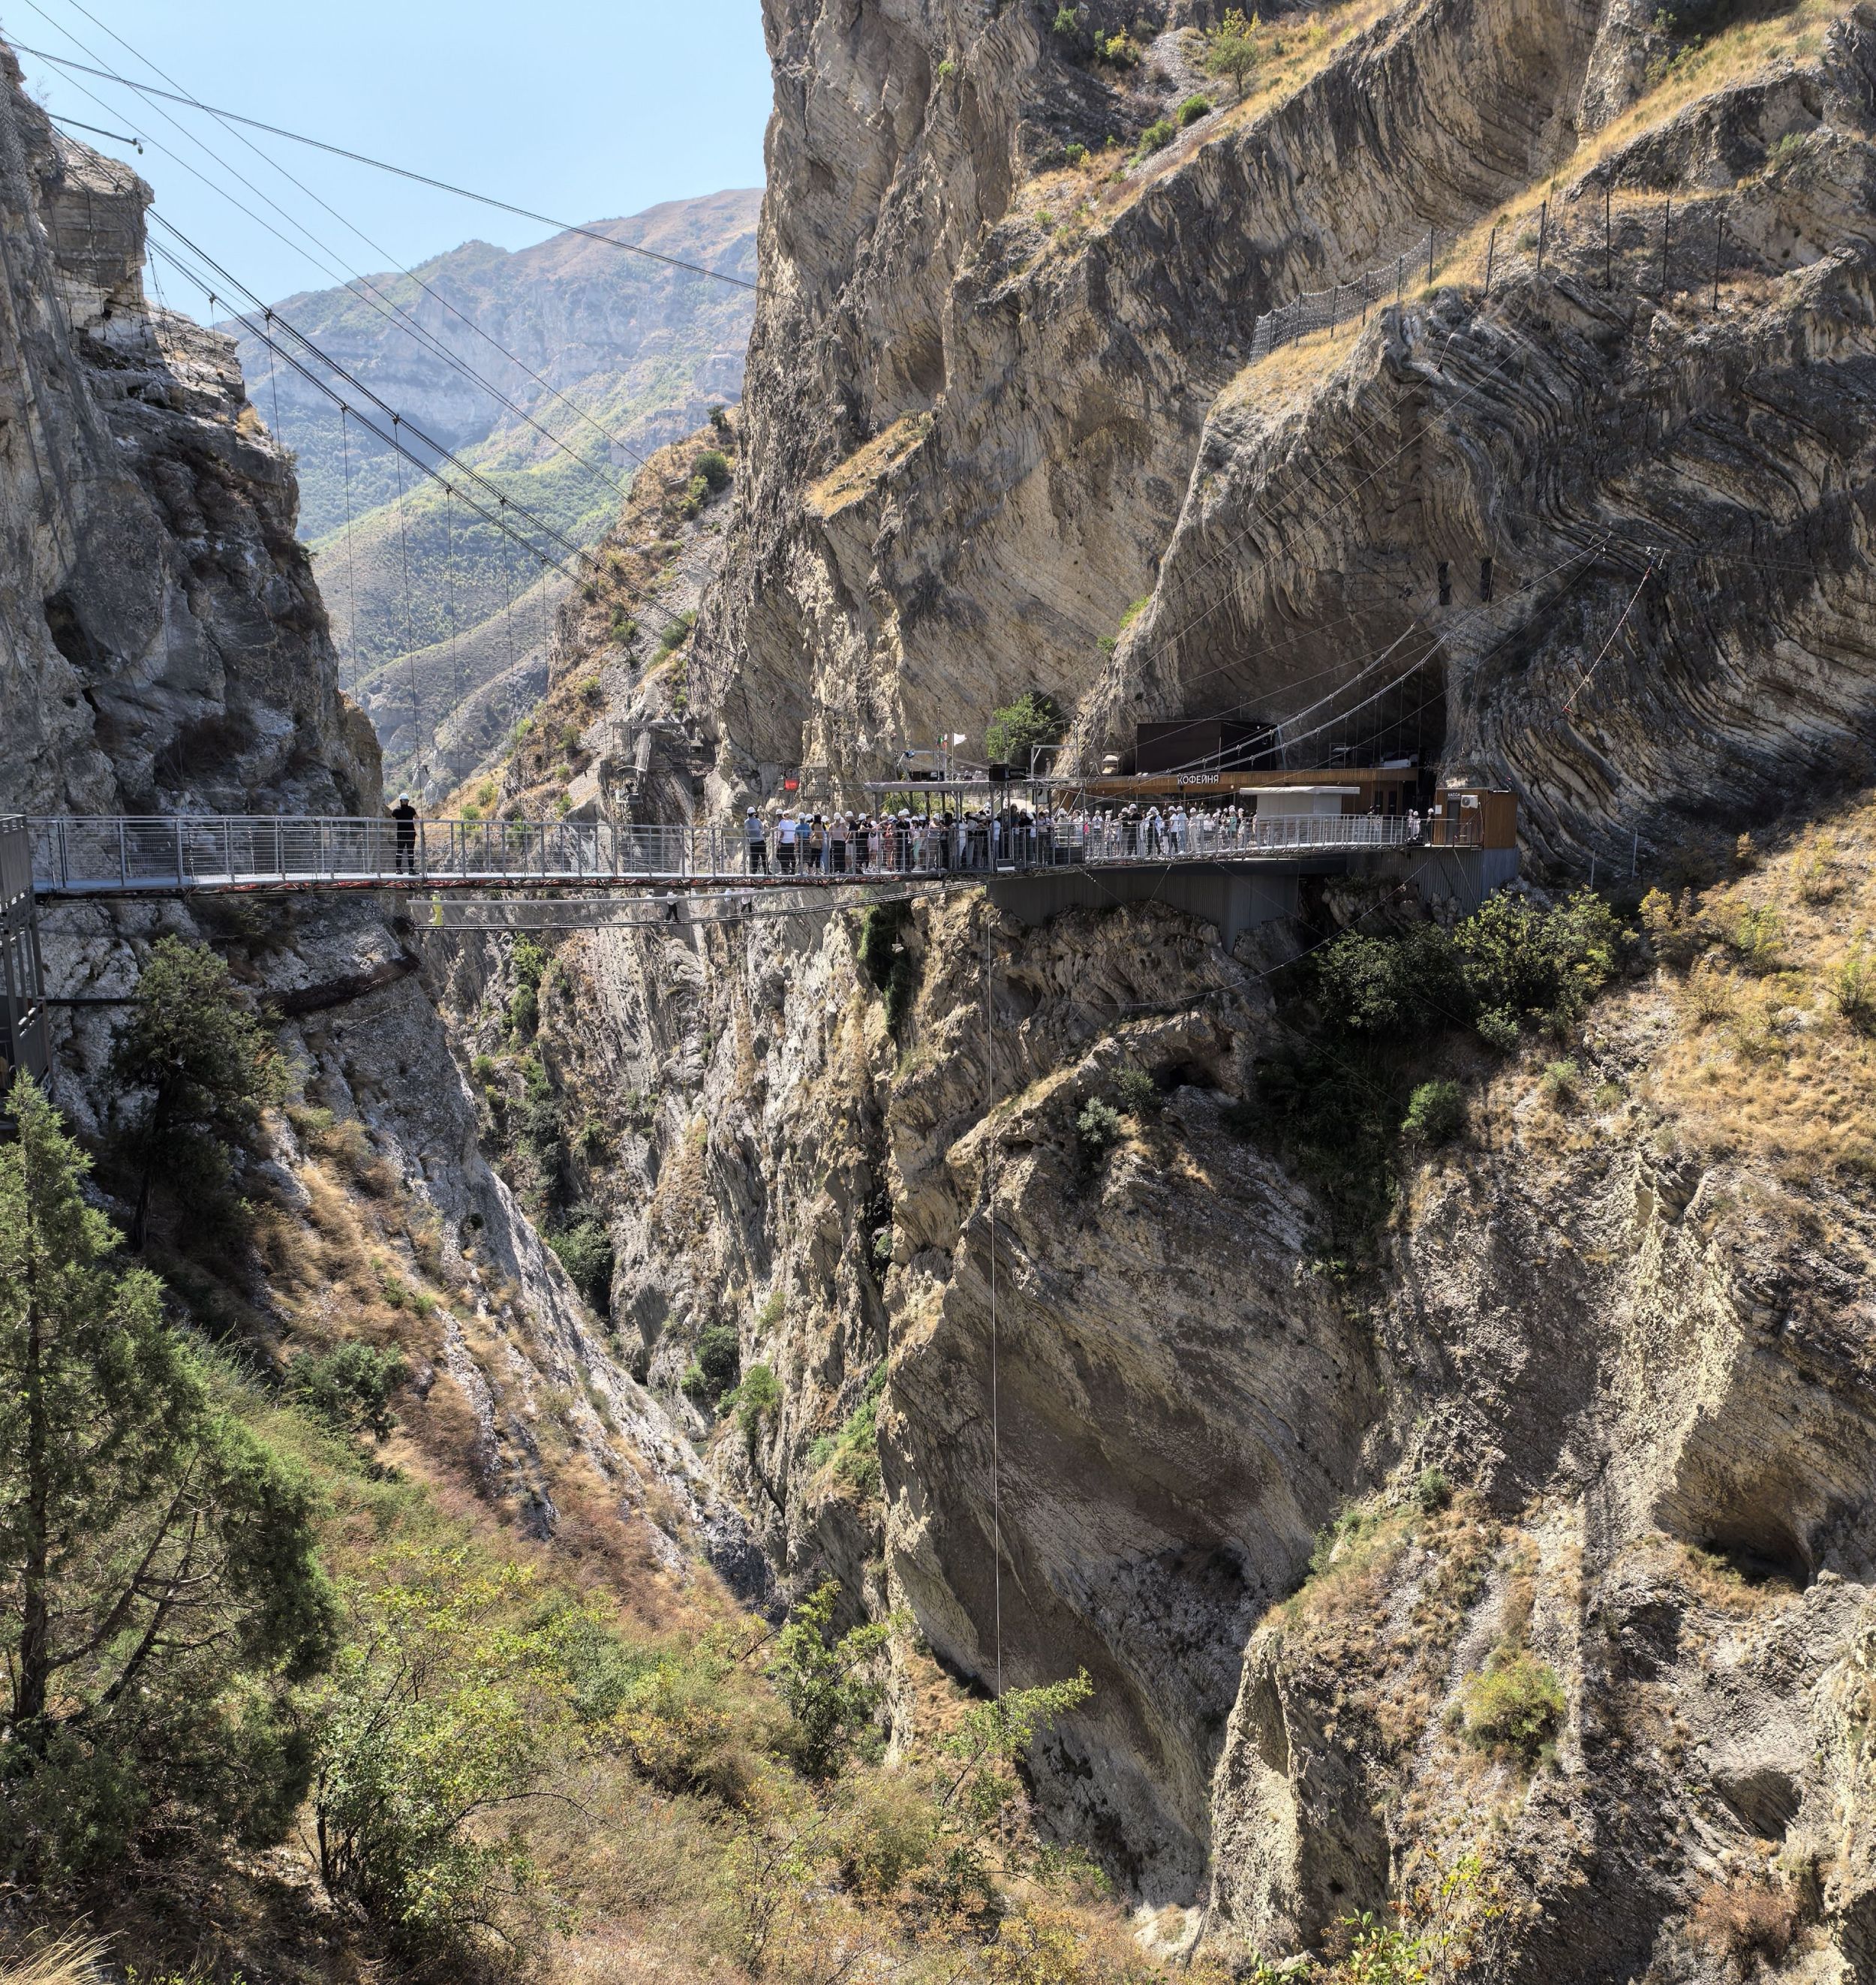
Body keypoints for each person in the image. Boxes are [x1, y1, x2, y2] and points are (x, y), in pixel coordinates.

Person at [389, 790, 418, 874]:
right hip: (410, 833)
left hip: (401, 833)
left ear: (400, 801)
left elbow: (392, 818)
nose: (407, 802)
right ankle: (411, 870)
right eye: (406, 800)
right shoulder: (411, 810)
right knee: (410, 851)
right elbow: (417, 818)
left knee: (400, 850)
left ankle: (398, 869)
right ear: (406, 801)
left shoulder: (396, 811)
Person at [745, 808, 767, 874]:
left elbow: (747, 832)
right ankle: (766, 871)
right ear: (753, 814)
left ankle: (754, 871)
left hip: (753, 842)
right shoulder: (757, 820)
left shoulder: (746, 822)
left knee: (754, 857)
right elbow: (762, 828)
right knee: (763, 856)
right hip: (760, 840)